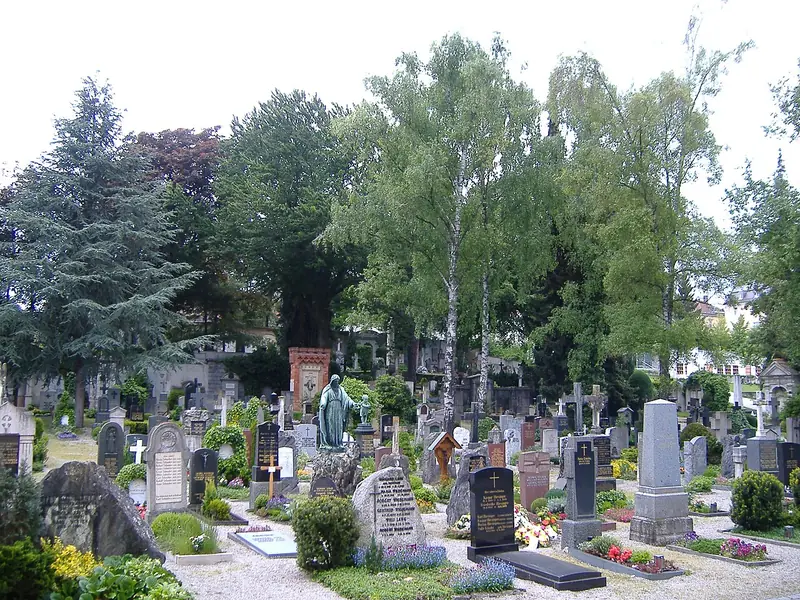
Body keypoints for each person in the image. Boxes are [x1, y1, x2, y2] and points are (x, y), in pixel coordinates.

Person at [319, 374, 356, 451]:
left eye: (337, 381)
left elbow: (347, 398)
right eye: (335, 381)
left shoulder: (341, 390)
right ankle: (330, 443)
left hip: (339, 411)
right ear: (332, 381)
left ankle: (338, 443)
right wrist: (323, 403)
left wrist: (352, 403)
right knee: (331, 426)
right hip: (331, 411)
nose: (336, 382)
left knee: (339, 426)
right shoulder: (328, 390)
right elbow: (324, 398)